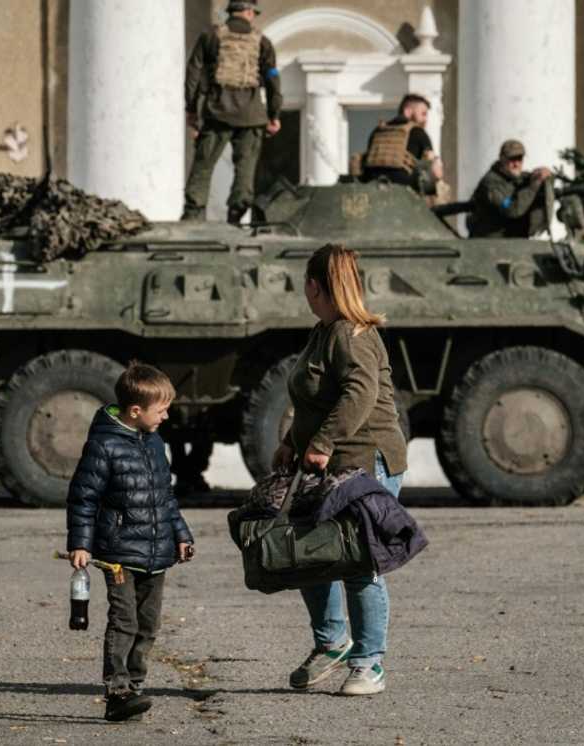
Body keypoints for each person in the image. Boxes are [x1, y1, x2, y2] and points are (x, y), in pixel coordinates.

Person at [272, 244, 409, 696]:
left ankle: (370, 662)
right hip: (327, 461)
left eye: (306, 285)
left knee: (357, 562)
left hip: (366, 461)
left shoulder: (353, 334)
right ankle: (332, 644)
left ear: (314, 286)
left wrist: (323, 442)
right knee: (311, 557)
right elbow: (314, 398)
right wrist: (292, 443)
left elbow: (359, 394)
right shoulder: (323, 331)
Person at [66, 362, 195, 722]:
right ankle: (117, 690)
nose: (167, 416)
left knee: (148, 624)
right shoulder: (103, 445)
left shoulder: (154, 443)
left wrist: (180, 535)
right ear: (135, 411)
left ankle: (135, 688)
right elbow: (83, 497)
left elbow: (164, 497)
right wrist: (81, 543)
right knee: (124, 620)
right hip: (119, 553)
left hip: (156, 553)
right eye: (162, 409)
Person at [182, 0, 283, 224]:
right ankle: (236, 217)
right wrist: (274, 115)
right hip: (252, 117)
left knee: (203, 166)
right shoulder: (263, 42)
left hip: (216, 114)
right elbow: (273, 80)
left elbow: (193, 76)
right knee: (245, 169)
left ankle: (192, 216)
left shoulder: (210, 37)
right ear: (248, 12)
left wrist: (191, 110)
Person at [467, 139, 553, 238]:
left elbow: (538, 182)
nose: (516, 164)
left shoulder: (519, 178)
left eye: (519, 159)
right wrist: (533, 187)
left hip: (515, 242)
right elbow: (511, 209)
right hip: (491, 243)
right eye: (512, 159)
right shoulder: (491, 184)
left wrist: (545, 176)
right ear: (502, 159)